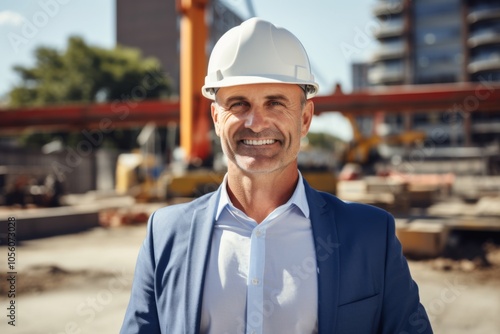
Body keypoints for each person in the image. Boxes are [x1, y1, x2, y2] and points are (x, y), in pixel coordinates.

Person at [120, 17, 433, 334]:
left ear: (306, 117)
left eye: (275, 103)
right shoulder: (166, 235)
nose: (256, 123)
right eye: (238, 104)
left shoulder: (369, 235)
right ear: (216, 117)